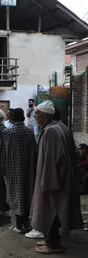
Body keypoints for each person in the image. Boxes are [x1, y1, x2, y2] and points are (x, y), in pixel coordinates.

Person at [31, 100, 83, 254]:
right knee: (55, 211)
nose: (35, 116)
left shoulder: (51, 131)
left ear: (46, 116)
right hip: (62, 179)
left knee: (50, 211)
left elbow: (51, 161)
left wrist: (47, 183)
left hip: (53, 181)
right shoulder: (61, 127)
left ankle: (52, 244)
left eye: (37, 114)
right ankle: (49, 239)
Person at [0, 108, 37, 233]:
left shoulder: (8, 132)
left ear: (12, 118)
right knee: (27, 195)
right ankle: (27, 225)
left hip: (12, 170)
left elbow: (2, 153)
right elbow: (35, 151)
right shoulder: (30, 131)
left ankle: (19, 226)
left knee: (15, 196)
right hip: (29, 169)